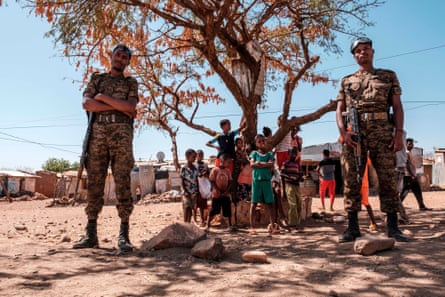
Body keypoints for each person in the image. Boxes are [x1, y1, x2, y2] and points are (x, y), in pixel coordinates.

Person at [335, 37, 408, 242]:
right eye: (358, 50)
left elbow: (398, 107)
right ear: (354, 55)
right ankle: (352, 228)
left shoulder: (388, 76)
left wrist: (399, 133)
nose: (362, 53)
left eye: (366, 49)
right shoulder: (347, 81)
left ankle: (393, 227)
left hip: (383, 132)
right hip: (355, 136)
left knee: (387, 178)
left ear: (372, 51)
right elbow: (339, 110)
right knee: (351, 179)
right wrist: (344, 132)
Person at [73, 44, 138, 252]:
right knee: (94, 183)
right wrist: (117, 106)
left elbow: (130, 107)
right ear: (111, 57)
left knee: (122, 183)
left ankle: (124, 236)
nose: (120, 59)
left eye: (124, 57)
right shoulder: (97, 79)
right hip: (97, 135)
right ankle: (90, 234)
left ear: (127, 62)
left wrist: (103, 99)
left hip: (122, 137)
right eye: (118, 55)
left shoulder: (130, 83)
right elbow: (87, 104)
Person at [249, 134, 277, 235]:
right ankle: (252, 227)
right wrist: (265, 165)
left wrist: (259, 164)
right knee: (254, 204)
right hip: (256, 181)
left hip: (266, 181)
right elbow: (252, 164)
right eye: (259, 141)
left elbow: (271, 164)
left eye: (263, 141)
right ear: (256, 144)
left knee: (270, 204)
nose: (261, 143)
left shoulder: (270, 154)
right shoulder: (254, 153)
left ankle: (273, 227)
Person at [400, 138, 432, 211]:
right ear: (406, 144)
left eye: (412, 144)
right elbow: (406, 165)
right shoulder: (406, 152)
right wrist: (412, 175)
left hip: (412, 175)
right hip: (408, 175)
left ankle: (422, 206)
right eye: (409, 144)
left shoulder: (410, 152)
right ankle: (397, 207)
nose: (411, 145)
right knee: (404, 192)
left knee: (417, 190)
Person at [207, 154, 233, 232]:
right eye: (227, 162)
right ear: (222, 161)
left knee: (227, 210)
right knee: (214, 210)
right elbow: (212, 181)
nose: (228, 164)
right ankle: (207, 225)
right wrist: (217, 190)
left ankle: (229, 225)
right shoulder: (215, 170)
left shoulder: (227, 170)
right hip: (216, 194)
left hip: (225, 194)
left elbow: (230, 181)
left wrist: (226, 191)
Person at [280, 146, 303, 229]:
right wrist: (290, 178)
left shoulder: (297, 164)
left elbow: (300, 175)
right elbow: (281, 174)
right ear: (289, 154)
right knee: (292, 204)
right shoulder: (285, 163)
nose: (294, 155)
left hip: (297, 186)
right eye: (292, 153)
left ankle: (297, 221)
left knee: (300, 204)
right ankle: (292, 223)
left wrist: (300, 178)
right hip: (289, 185)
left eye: (295, 153)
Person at [180, 149, 200, 223]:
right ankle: (185, 226)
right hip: (186, 193)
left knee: (191, 210)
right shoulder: (184, 168)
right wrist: (185, 191)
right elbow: (182, 181)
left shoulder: (195, 168)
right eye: (193, 157)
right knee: (186, 208)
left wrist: (198, 191)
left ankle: (188, 226)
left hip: (194, 193)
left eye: (195, 157)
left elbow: (196, 180)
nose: (195, 158)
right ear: (187, 157)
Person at [195, 149, 211, 227]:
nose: (201, 156)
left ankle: (203, 220)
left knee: (202, 204)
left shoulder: (205, 165)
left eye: (202, 154)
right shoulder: (194, 165)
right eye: (199, 154)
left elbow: (209, 175)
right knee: (195, 204)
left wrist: (205, 175)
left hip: (204, 186)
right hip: (197, 186)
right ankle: (195, 220)